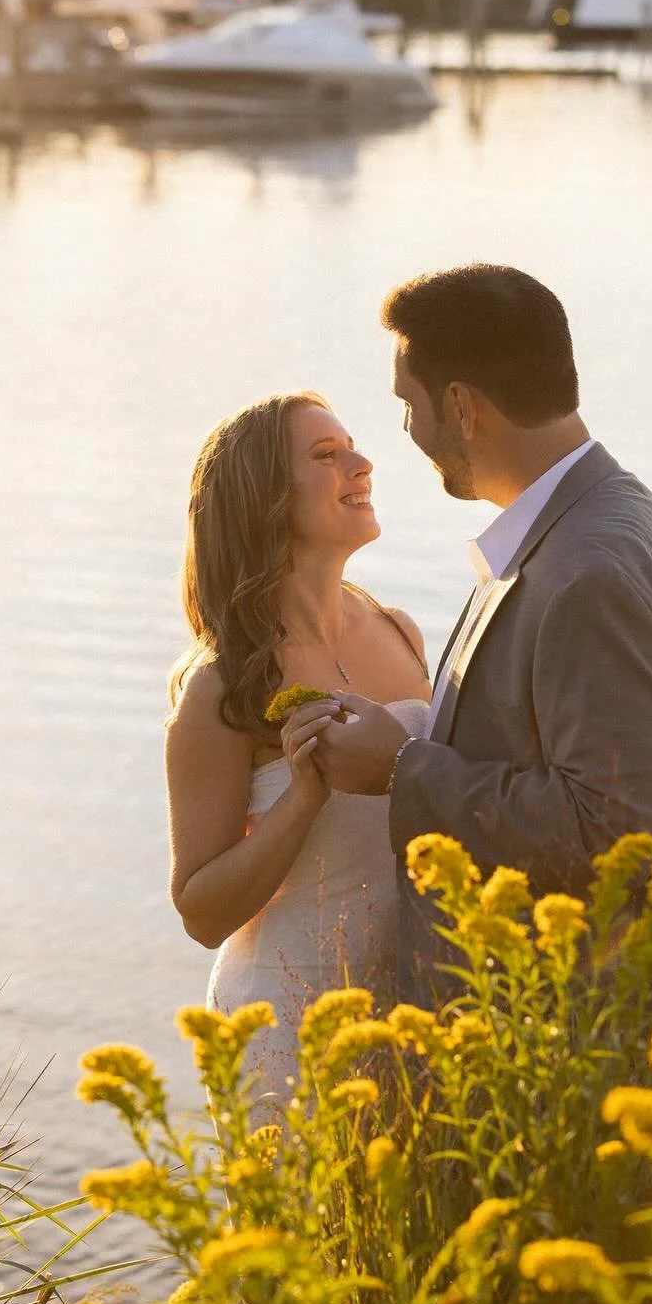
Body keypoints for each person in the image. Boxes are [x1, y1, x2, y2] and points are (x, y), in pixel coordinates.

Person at [284, 265, 652, 1030]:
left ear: (461, 405)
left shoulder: (588, 569)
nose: (407, 432)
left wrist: (400, 769)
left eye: (408, 404)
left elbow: (607, 831)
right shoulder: (595, 520)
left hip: (584, 1048)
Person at [165, 391, 432, 1100]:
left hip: (415, 1014)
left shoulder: (400, 630)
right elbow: (201, 911)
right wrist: (304, 798)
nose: (362, 464)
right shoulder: (221, 688)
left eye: (352, 446)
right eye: (327, 456)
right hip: (287, 1029)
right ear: (267, 501)